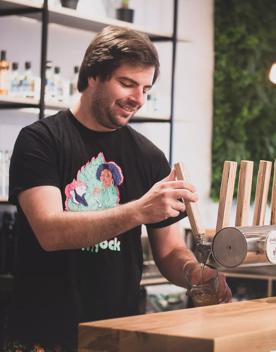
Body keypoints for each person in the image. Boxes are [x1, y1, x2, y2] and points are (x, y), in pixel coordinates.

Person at [6, 26, 232, 351]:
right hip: (42, 336)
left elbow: (168, 250)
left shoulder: (149, 156)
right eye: (127, 83)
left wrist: (193, 273)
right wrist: (139, 210)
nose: (137, 99)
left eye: (145, 88)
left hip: (118, 337)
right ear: (93, 75)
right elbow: (49, 231)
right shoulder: (41, 140)